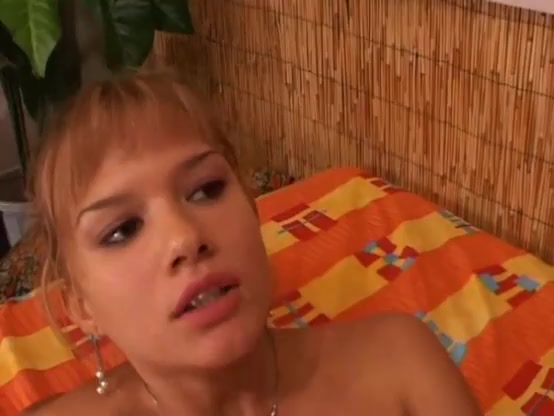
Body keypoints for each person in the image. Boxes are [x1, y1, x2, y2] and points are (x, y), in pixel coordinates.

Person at [24, 71, 482, 416]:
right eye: (122, 229)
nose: (185, 237)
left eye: (206, 190)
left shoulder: (400, 366)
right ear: (80, 305)